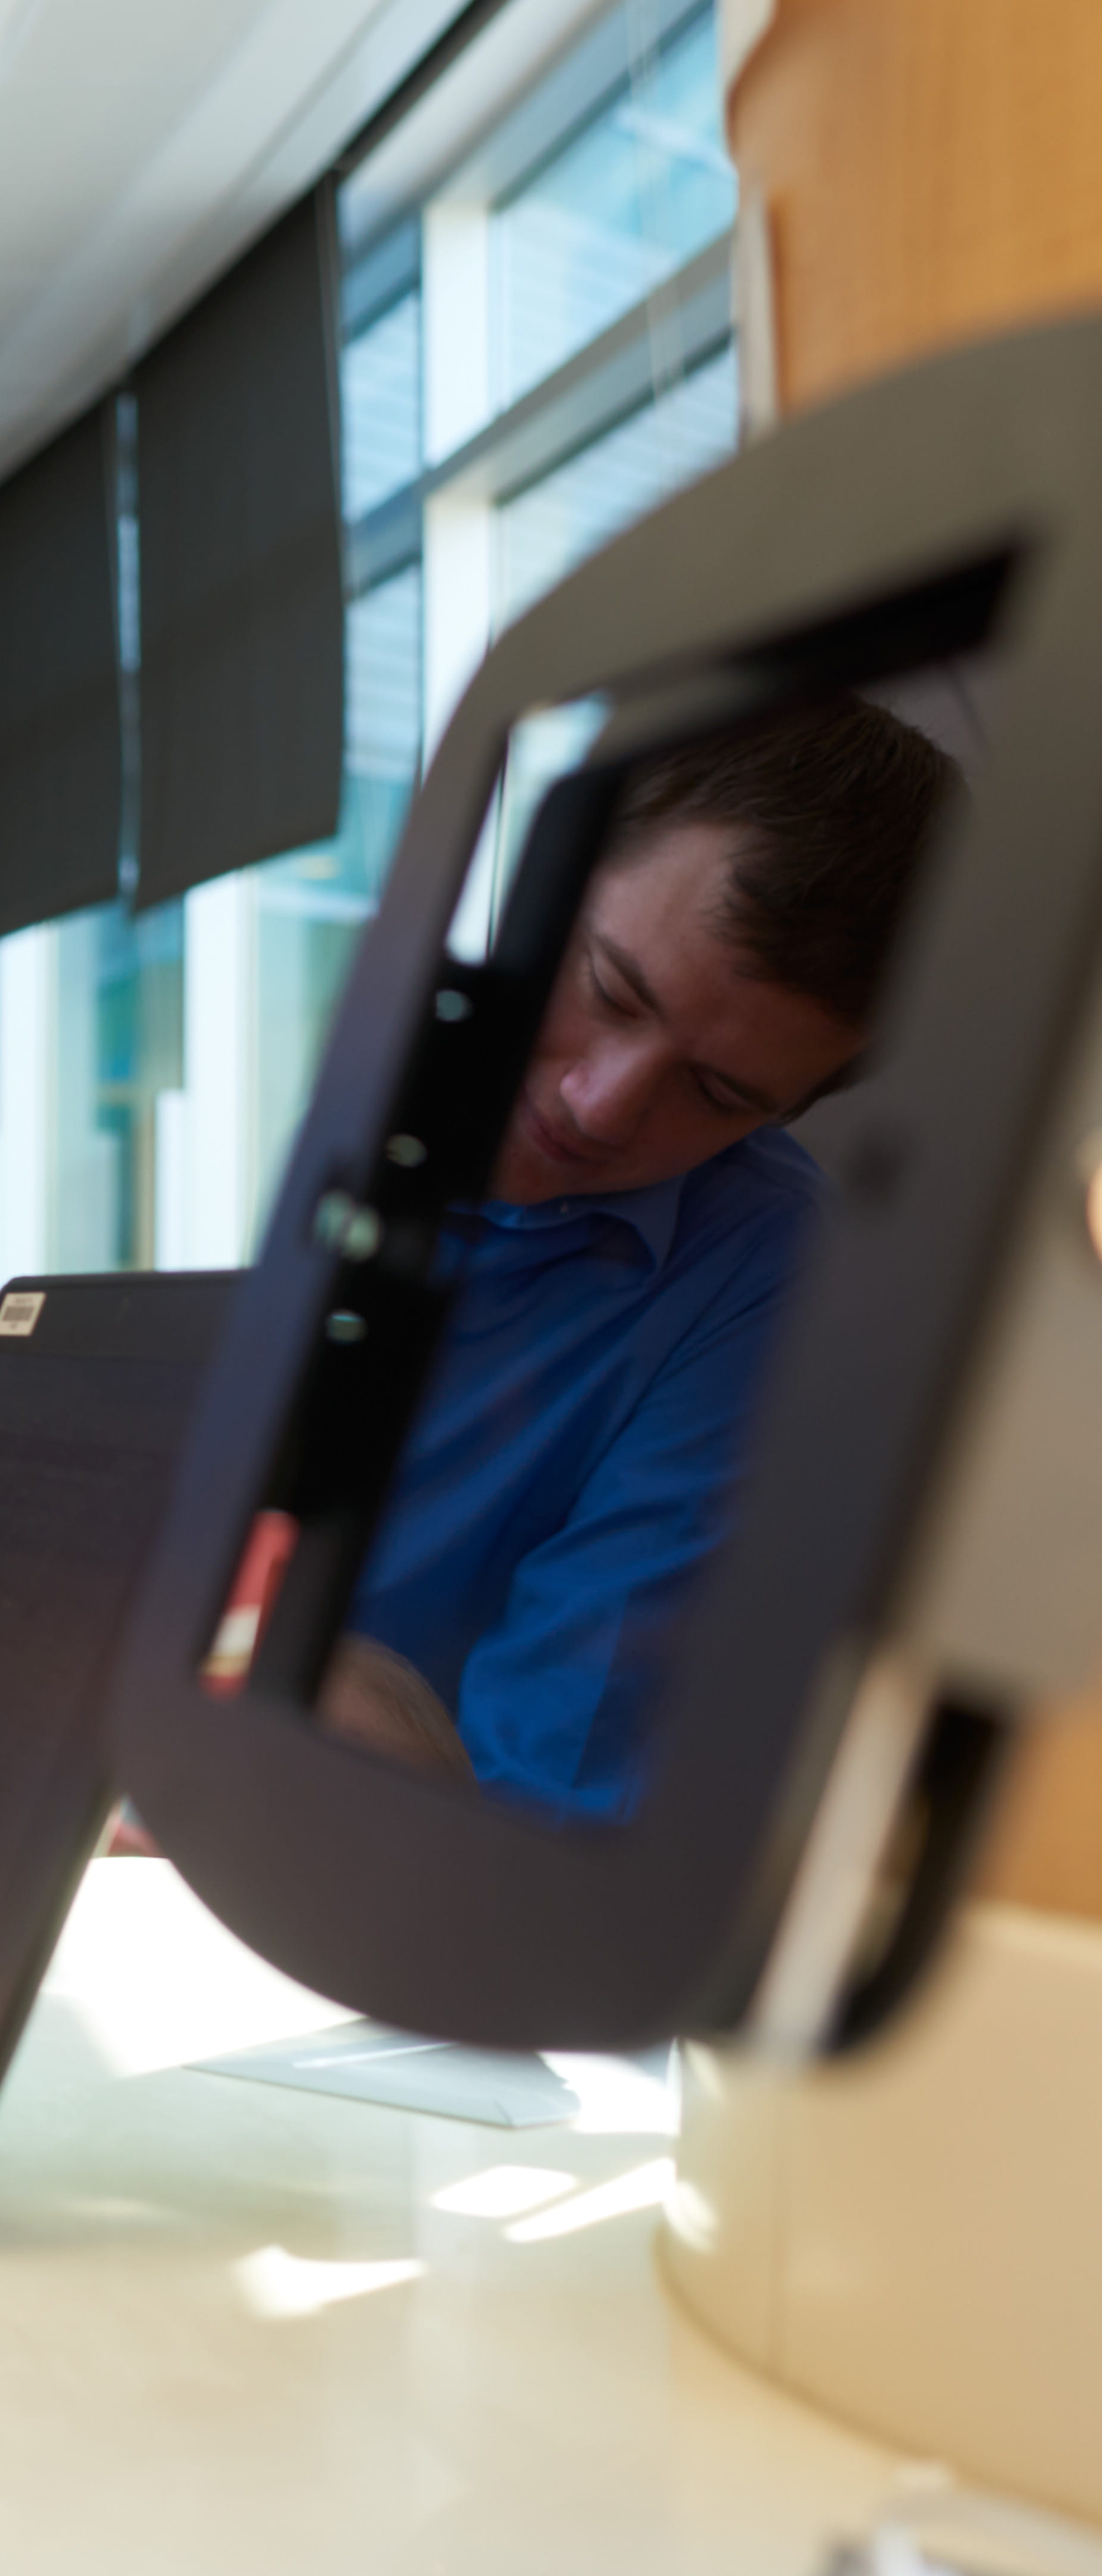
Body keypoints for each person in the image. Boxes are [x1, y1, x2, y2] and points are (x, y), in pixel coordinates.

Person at [325, 695, 965, 1817]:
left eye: (717, 1093)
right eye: (610, 987)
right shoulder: (349, 1062)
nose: (601, 1107)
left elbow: (550, 1805)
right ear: (550, 886)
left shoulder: (766, 1283)